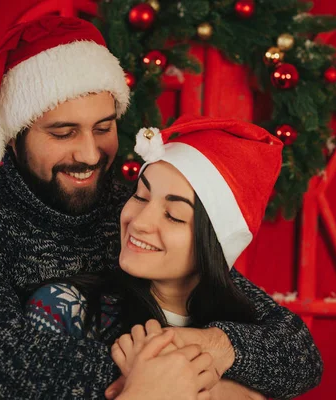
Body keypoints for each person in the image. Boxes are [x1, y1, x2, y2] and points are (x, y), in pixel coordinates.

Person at [0, 15, 322, 399]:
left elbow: (293, 348)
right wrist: (193, 386)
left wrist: (221, 346)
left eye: (103, 127)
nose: (91, 154)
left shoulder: (130, 207)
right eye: (64, 133)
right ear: (13, 137)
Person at [26, 116, 305, 399]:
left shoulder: (251, 332)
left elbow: (305, 359)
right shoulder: (65, 309)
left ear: (212, 245)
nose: (139, 222)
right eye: (140, 196)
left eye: (173, 216)